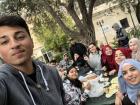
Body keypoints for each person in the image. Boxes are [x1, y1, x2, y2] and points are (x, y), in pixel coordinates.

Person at [0, 15, 65, 105]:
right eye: (4, 42)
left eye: (20, 37)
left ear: (32, 41)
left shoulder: (52, 73)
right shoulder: (3, 81)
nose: (14, 44)